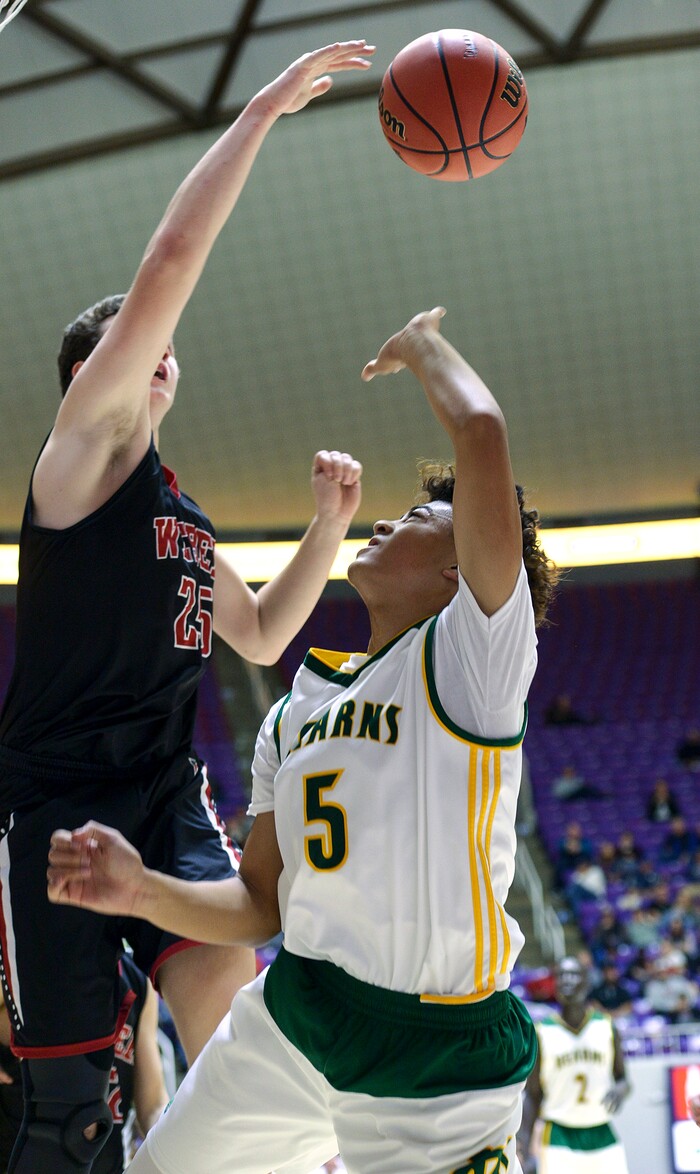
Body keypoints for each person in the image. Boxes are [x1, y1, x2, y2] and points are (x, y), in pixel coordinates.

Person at [47, 306, 559, 1174]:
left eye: (420, 519)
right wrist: (140, 891)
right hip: (298, 1014)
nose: (390, 521)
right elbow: (258, 907)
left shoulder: (474, 657)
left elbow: (480, 432)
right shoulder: (296, 712)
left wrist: (422, 346)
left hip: (431, 1054)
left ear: (456, 568)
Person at [0, 39, 372, 1172]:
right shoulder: (73, 465)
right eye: (133, 345)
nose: (156, 353)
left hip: (164, 797)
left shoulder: (185, 516)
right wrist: (259, 112)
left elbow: (259, 632)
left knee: (234, 1043)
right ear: (102, 374)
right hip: (54, 798)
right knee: (62, 1106)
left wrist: (326, 526)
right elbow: (169, 258)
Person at [0, 953, 169, 1174]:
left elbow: (153, 1104)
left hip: (109, 1163)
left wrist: (171, 1139)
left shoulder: (136, 979)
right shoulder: (24, 963)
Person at [517, 956, 631, 1174]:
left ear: (587, 982)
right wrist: (524, 1146)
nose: (567, 980)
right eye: (561, 975)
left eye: (574, 974)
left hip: (601, 1131)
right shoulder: (541, 1032)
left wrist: (620, 1090)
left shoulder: (606, 1026)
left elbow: (623, 1079)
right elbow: (533, 1095)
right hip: (559, 1133)